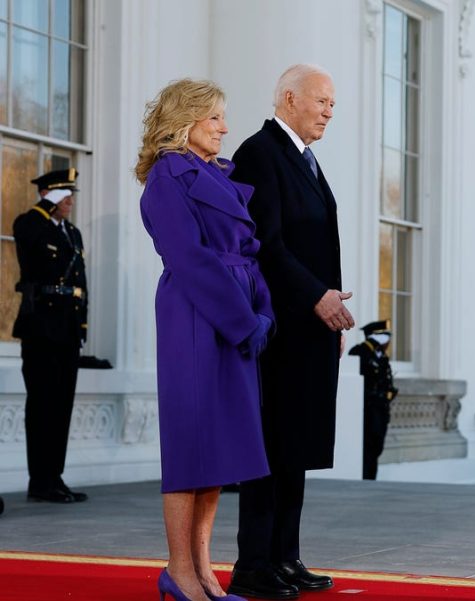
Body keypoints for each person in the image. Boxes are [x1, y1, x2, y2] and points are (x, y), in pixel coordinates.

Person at [136, 78, 274, 601]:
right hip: (195, 316)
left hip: (234, 313)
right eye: (215, 117)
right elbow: (188, 258)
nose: (224, 127)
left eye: (223, 116)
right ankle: (179, 570)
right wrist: (243, 320)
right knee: (191, 447)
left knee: (219, 449)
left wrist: (263, 310)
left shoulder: (218, 174)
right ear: (186, 120)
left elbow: (249, 248)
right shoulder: (167, 177)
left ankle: (202, 569)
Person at [228, 64, 353, 600]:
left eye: (332, 103)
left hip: (313, 327)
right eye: (321, 100)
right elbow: (267, 244)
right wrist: (315, 297)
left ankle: (286, 555)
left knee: (296, 444)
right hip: (280, 328)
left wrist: (332, 310)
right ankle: (253, 563)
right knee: (272, 444)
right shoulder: (260, 152)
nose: (329, 110)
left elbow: (317, 243)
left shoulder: (306, 159)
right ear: (288, 98)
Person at [13, 168, 90, 504]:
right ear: (48, 195)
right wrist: (44, 204)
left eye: (71, 195)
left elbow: (81, 285)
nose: (70, 200)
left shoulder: (72, 234)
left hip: (68, 330)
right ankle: (39, 481)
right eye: (64, 195)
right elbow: (26, 242)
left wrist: (83, 326)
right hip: (41, 328)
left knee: (62, 406)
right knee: (42, 404)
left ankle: (55, 477)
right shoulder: (31, 223)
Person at [348, 320, 398, 480]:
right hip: (367, 410)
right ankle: (366, 479)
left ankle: (371, 478)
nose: (389, 343)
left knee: (376, 446)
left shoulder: (381, 356)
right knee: (367, 447)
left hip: (380, 410)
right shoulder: (360, 352)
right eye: (386, 338)